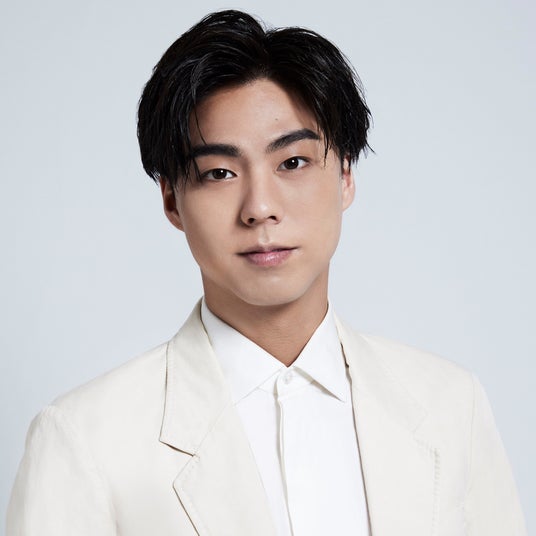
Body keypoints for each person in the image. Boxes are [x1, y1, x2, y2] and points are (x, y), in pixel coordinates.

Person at [7, 9, 526, 536]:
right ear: (171, 200)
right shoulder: (85, 440)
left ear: (346, 174)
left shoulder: (450, 406)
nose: (259, 208)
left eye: (292, 163)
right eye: (219, 172)